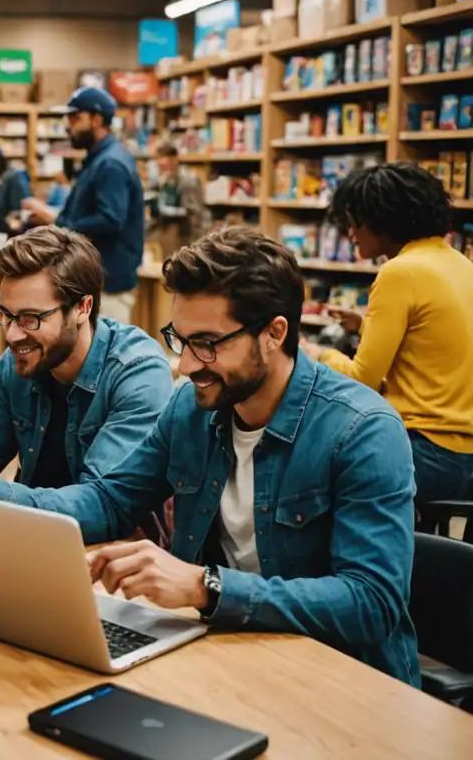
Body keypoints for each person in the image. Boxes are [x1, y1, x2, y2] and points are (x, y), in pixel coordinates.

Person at [44, 227, 416, 684]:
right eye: (180, 340)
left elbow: (371, 603)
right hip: (222, 653)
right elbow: (111, 499)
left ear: (274, 333)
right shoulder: (190, 407)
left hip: (339, 682)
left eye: (208, 343)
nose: (186, 365)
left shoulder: (363, 431)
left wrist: (207, 587)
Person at [0, 227, 173, 540]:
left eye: (31, 319)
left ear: (82, 308)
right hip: (32, 541)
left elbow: (105, 504)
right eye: (6, 314)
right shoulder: (18, 361)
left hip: (119, 561)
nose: (13, 335)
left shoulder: (138, 373)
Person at [302, 164, 473, 510]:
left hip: (421, 451)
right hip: (463, 457)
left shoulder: (399, 272)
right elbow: (435, 340)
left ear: (384, 219)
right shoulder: (460, 264)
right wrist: (365, 325)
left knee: (306, 478)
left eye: (355, 221)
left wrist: (314, 352)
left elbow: (360, 380)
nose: (350, 233)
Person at [21, 88, 145, 324]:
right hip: (97, 281)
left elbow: (110, 219)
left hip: (108, 285)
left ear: (97, 120)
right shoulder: (98, 159)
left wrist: (57, 222)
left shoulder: (111, 163)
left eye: (76, 118)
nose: (68, 125)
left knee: (105, 356)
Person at [151, 142, 212, 245]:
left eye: (163, 158)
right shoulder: (165, 179)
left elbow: (195, 213)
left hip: (192, 235)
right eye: (158, 158)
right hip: (176, 232)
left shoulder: (188, 180)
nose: (159, 162)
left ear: (174, 159)